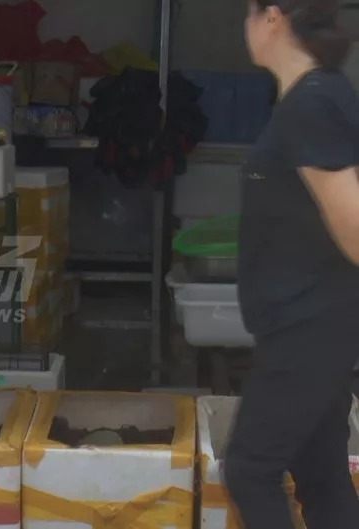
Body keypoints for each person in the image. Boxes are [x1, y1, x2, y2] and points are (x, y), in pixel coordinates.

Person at [224, 0, 359, 527]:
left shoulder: (312, 102)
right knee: (320, 473)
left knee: (250, 470)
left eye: (248, 14)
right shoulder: (316, 94)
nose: (245, 27)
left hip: (311, 325)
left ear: (273, 17)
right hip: (311, 322)